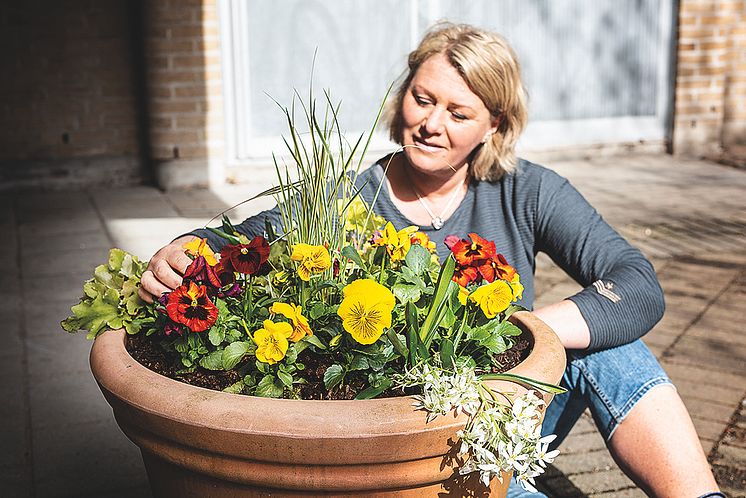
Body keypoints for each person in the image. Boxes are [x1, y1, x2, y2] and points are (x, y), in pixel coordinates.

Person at [139, 23, 723, 498]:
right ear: (404, 98)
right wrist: (189, 247)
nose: (431, 124)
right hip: (419, 450)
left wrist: (522, 332)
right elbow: (247, 239)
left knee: (613, 340)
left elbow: (637, 284)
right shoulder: (349, 202)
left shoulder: (526, 191)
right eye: (423, 99)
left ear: (494, 125)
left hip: (509, 412)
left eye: (459, 113)